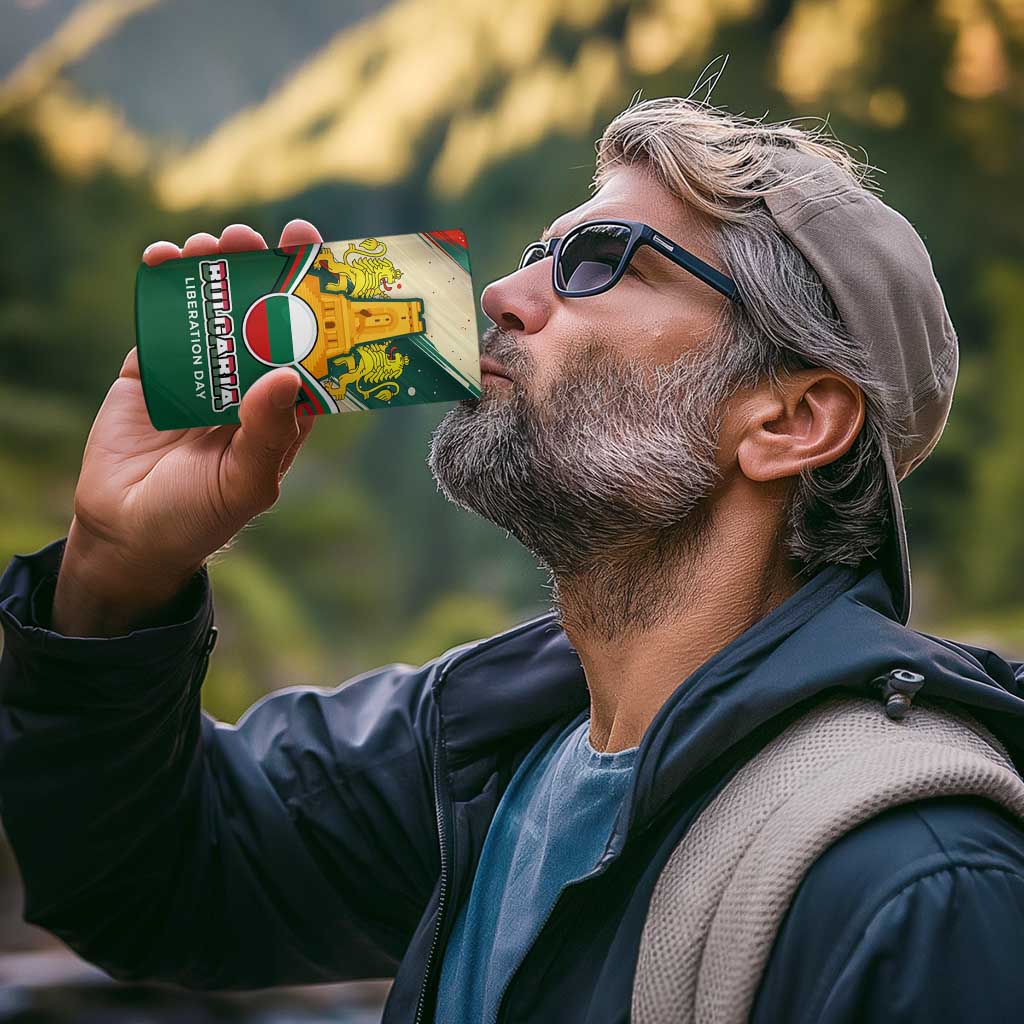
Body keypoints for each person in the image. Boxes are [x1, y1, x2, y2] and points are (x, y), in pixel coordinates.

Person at [2, 96, 1024, 1024]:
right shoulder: (478, 749)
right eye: (540, 252)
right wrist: (116, 570)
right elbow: (149, 880)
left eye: (599, 261)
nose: (501, 291)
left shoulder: (918, 883)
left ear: (791, 419)